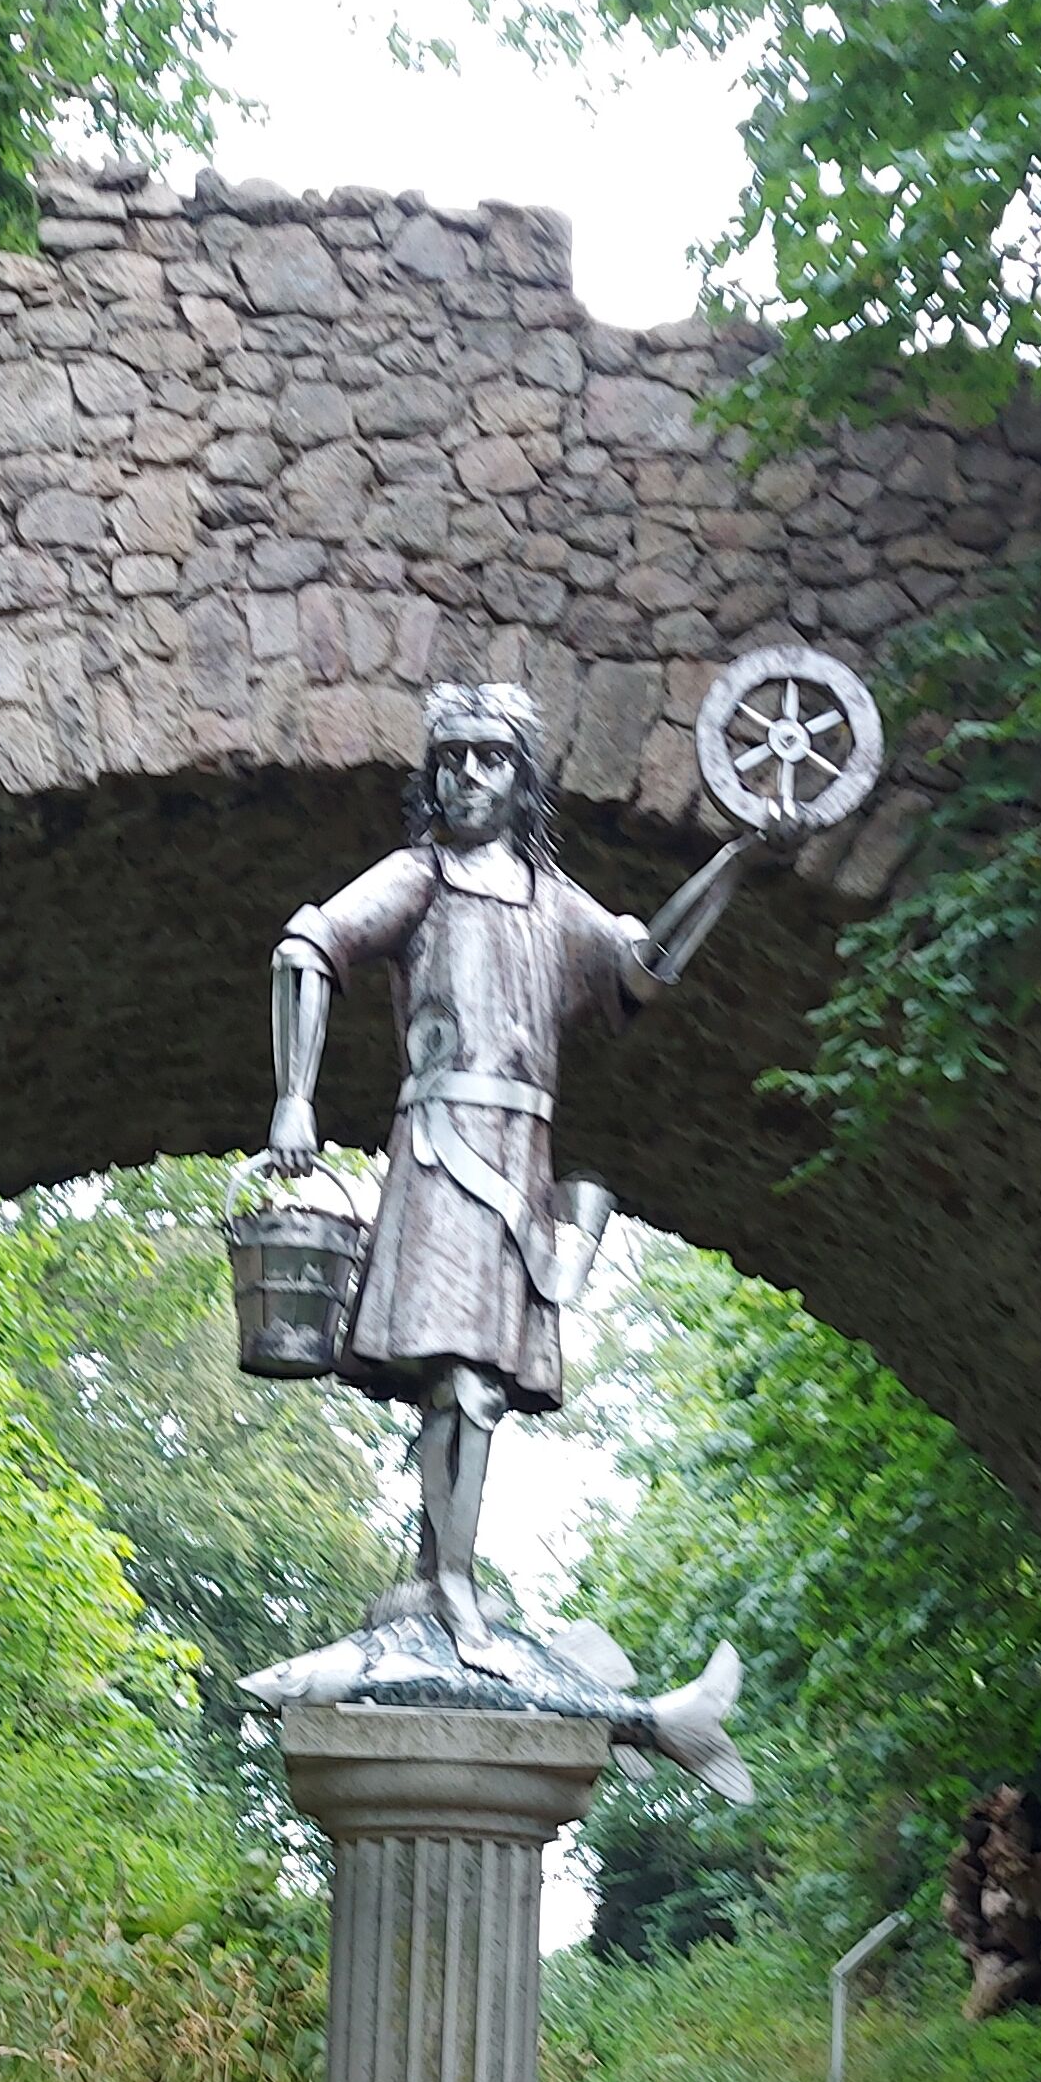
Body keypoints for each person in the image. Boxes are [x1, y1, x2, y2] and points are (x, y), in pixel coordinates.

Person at [267, 675, 756, 1670]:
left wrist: (736, 859)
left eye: (490, 758)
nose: (467, 776)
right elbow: (305, 948)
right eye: (450, 760)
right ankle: (452, 1584)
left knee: (474, 1381)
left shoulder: (551, 902)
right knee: (464, 1379)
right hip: (440, 1146)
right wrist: (294, 1098)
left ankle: (438, 1567)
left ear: (521, 778)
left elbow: (646, 965)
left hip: (519, 1161)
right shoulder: (418, 878)